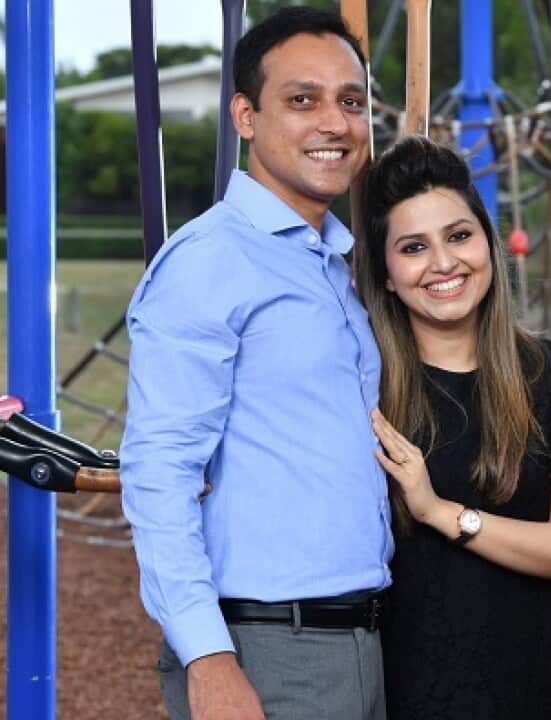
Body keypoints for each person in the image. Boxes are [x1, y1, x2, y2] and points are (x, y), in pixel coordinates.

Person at [120, 8, 390, 720]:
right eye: (303, 100)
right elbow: (159, 469)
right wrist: (209, 658)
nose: (334, 123)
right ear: (245, 115)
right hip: (266, 642)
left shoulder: (327, 260)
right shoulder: (213, 260)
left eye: (352, 101)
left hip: (359, 632)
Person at [356, 135, 551, 720]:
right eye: (414, 247)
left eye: (459, 236)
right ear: (388, 273)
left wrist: (439, 511)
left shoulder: (545, 374)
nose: (443, 263)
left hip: (522, 679)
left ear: (489, 245)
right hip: (401, 683)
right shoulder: (366, 382)